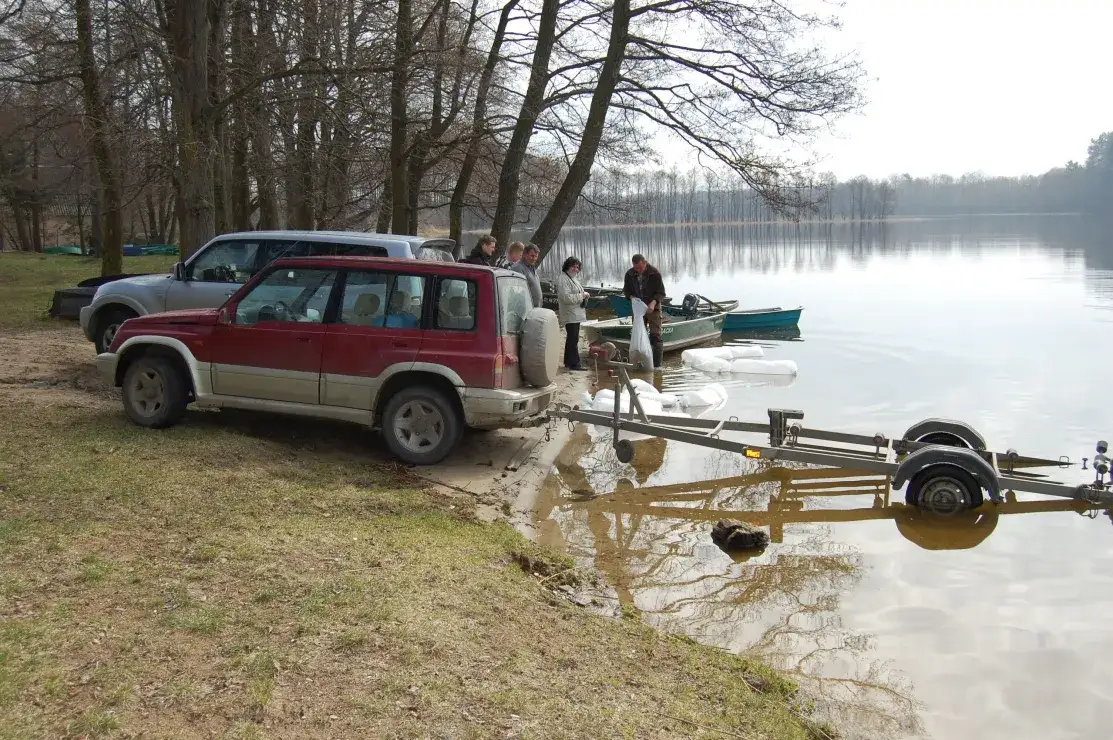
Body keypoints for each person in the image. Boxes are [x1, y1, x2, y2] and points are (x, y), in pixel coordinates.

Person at [622, 253, 667, 369]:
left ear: (645, 263)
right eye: (636, 268)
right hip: (638, 309)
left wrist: (653, 303)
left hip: (653, 307)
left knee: (655, 335)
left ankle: (657, 366)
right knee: (638, 335)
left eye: (640, 268)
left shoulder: (655, 273)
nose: (638, 270)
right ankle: (639, 361)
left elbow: (661, 293)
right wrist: (631, 297)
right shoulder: (630, 274)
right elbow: (626, 291)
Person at [556, 256, 590, 371]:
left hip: (575, 313)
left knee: (572, 338)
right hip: (570, 314)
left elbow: (576, 292)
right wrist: (582, 296)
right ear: (567, 266)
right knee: (573, 338)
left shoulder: (572, 278)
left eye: (577, 267)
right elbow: (566, 298)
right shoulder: (563, 279)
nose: (576, 269)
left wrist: (584, 293)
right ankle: (574, 364)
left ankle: (568, 361)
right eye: (573, 266)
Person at [511, 242, 543, 307]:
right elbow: (517, 292)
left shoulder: (532, 267)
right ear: (525, 254)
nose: (534, 259)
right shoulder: (518, 268)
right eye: (532, 256)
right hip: (526, 309)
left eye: (536, 256)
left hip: (536, 308)